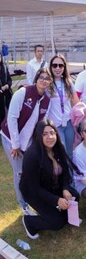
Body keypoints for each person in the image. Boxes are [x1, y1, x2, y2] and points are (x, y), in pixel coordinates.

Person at [18, 119, 80, 240]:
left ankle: (62, 215)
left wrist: (65, 188)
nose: (50, 137)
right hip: (34, 192)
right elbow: (34, 188)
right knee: (56, 223)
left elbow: (65, 173)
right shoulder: (31, 156)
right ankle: (29, 221)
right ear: (38, 136)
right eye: (45, 134)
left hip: (53, 185)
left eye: (52, 132)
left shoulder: (58, 147)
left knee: (74, 196)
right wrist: (56, 200)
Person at [1, 68, 52, 213]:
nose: (44, 80)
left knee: (31, 170)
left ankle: (33, 198)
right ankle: (23, 205)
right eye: (41, 77)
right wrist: (15, 145)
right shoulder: (23, 92)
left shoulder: (46, 100)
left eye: (47, 78)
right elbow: (11, 118)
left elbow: (40, 125)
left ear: (50, 82)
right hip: (10, 138)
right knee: (20, 173)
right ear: (36, 79)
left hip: (28, 142)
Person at [47, 54, 78, 156]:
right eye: (54, 65)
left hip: (68, 123)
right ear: (50, 67)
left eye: (60, 66)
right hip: (55, 124)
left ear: (64, 67)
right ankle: (62, 171)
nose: (57, 68)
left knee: (70, 152)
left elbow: (76, 103)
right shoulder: (47, 84)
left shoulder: (68, 82)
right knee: (62, 152)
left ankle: (70, 172)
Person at [0, 52, 13, 124]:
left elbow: (9, 79)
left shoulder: (4, 67)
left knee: (10, 112)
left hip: (7, 94)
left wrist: (7, 86)